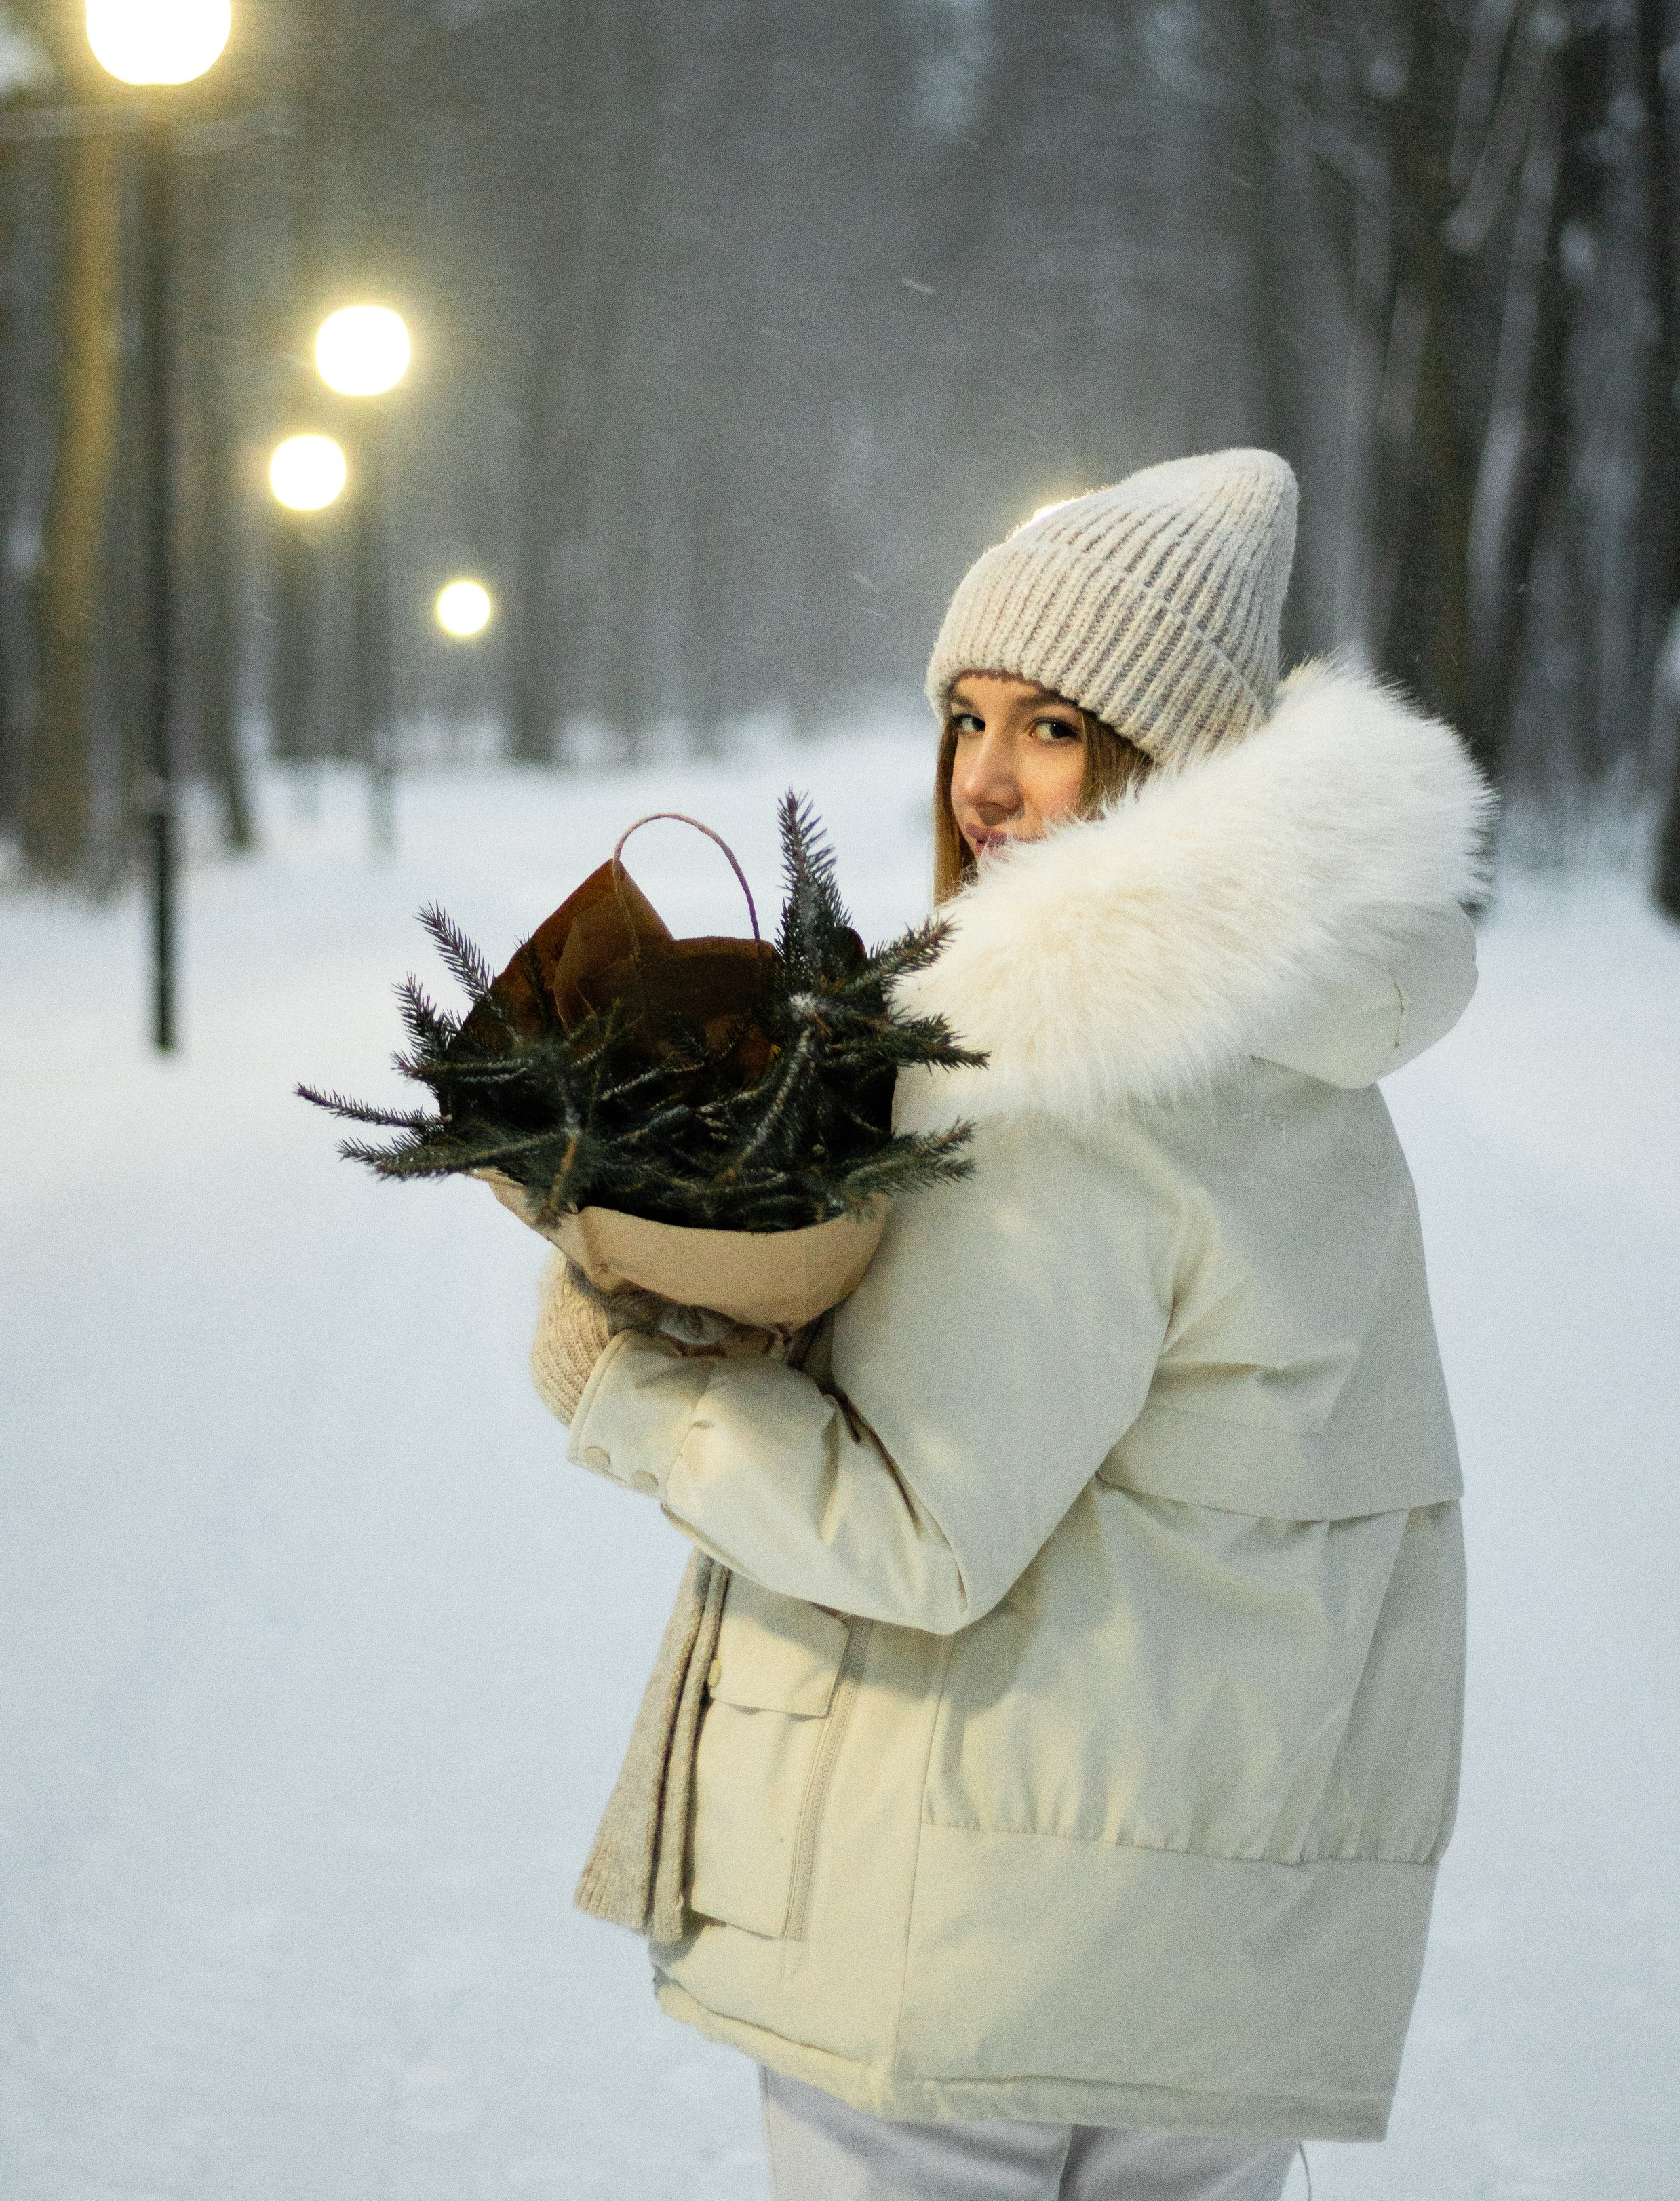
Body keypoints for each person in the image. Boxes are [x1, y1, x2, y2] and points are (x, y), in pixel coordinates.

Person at [530, 450, 1490, 2201]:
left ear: (1177, 749)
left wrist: (639, 1384)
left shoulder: (1067, 1064)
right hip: (1216, 1951)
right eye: (967, 718)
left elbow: (918, 1533)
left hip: (969, 1934)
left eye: (1055, 725)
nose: (985, 777)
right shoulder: (1305, 1054)